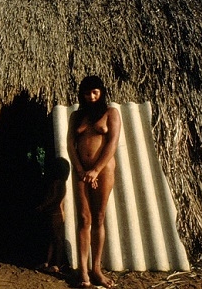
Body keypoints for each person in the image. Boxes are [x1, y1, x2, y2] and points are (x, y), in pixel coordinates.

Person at [66, 76, 121, 288]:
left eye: (95, 92)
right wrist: (81, 170)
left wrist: (96, 170)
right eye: (87, 93)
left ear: (101, 92)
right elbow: (71, 144)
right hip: (81, 170)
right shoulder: (76, 116)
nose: (91, 96)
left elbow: (113, 142)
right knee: (83, 218)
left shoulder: (111, 113)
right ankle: (83, 272)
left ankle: (97, 269)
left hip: (103, 169)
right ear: (82, 94)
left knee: (99, 217)